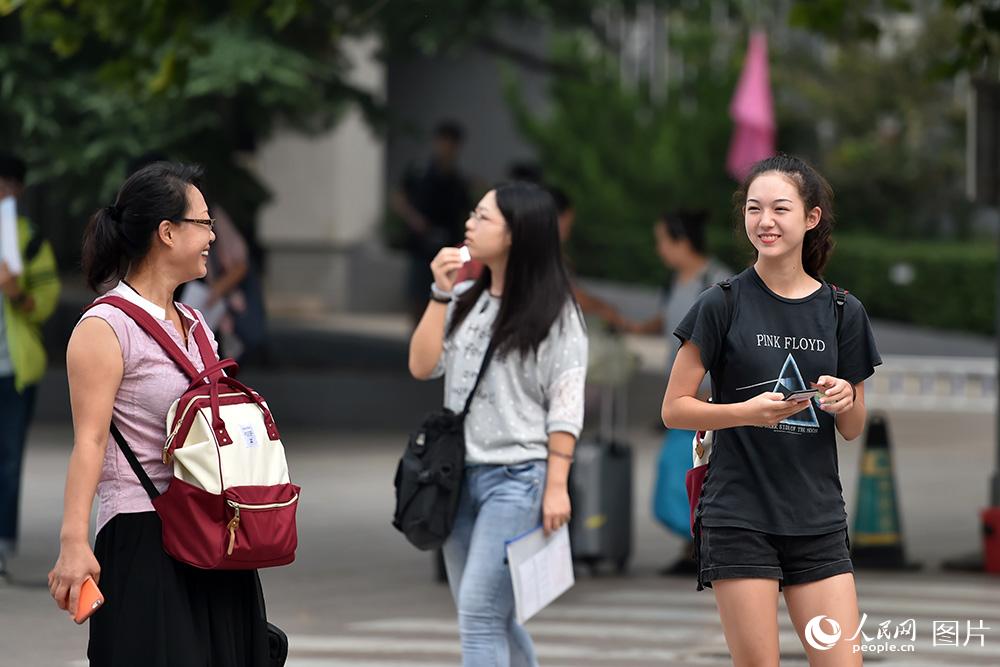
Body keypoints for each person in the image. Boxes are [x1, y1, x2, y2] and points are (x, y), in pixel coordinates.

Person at [662, 155, 881, 666]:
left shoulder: (844, 310)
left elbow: (852, 428)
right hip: (739, 515)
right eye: (754, 209)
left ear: (811, 217)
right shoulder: (722, 303)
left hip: (818, 518)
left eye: (781, 208)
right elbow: (674, 409)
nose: (765, 221)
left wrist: (845, 399)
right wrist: (743, 411)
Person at [48, 162, 269, 665]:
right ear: (167, 232)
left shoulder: (195, 321)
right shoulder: (104, 327)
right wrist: (73, 542)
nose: (214, 236)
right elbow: (90, 441)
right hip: (144, 535)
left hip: (212, 532)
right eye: (204, 223)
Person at [408, 182, 587, 667]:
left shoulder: (556, 313)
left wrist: (557, 485)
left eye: (483, 217)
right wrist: (439, 294)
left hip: (518, 479)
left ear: (516, 234)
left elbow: (565, 405)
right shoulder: (465, 298)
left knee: (479, 614)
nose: (470, 223)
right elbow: (423, 366)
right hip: (457, 476)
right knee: (491, 614)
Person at [626, 210, 730, 575]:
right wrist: (629, 326)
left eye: (663, 241)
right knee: (680, 475)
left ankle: (703, 545)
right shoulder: (674, 283)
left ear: (681, 241)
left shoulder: (719, 283)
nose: (660, 250)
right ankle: (698, 543)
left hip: (708, 402)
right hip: (683, 400)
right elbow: (667, 320)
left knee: (692, 473)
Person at [0, 152, 61, 582]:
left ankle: (0, 546)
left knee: (7, 458)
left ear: (18, 191)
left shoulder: (29, 240)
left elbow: (44, 305)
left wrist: (15, 291)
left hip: (13, 368)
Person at [391, 120, 472, 324]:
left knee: (447, 293)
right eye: (444, 142)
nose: (447, 149)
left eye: (452, 144)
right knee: (418, 296)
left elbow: (463, 211)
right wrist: (414, 220)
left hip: (448, 243)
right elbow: (399, 198)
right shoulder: (420, 171)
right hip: (421, 244)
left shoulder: (458, 180)